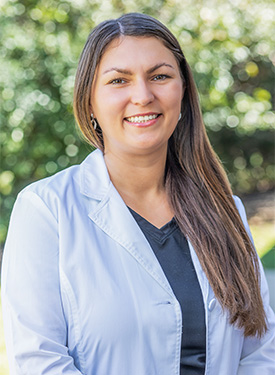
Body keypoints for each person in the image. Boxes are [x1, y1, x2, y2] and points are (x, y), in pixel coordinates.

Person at [1, 12, 274, 375]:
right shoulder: (46, 210)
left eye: (160, 76)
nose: (143, 96)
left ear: (183, 92)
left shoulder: (225, 209)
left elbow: (260, 352)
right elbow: (39, 361)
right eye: (118, 80)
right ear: (90, 102)